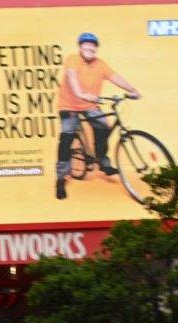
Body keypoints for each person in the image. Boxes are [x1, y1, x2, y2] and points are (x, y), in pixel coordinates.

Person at [54, 32, 142, 200]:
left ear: (96, 48)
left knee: (103, 126)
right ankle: (60, 179)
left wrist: (132, 90)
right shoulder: (73, 59)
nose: (90, 48)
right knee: (66, 138)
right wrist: (81, 93)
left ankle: (102, 159)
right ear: (80, 47)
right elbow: (71, 76)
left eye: (93, 45)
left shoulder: (100, 64)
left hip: (89, 105)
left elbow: (115, 77)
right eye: (86, 44)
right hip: (69, 105)